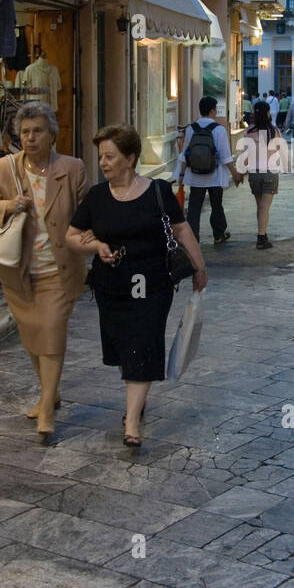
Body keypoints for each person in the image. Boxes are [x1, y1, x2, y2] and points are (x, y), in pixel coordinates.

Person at [67, 126, 207, 448]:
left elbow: (182, 230)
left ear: (129, 159)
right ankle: (137, 397)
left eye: (110, 156)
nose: (103, 163)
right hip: (110, 287)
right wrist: (96, 246)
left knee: (143, 343)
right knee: (123, 348)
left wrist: (200, 267)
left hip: (152, 285)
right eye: (101, 156)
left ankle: (131, 422)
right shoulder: (97, 197)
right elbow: (70, 237)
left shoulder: (157, 191)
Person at [0, 101, 88, 445]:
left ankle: (48, 413)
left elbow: (88, 213)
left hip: (60, 268)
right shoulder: (3, 169)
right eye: (25, 132)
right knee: (32, 336)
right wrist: (9, 206)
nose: (31, 138)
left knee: (51, 332)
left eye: (38, 131)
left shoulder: (72, 168)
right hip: (19, 270)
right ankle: (48, 394)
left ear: (51, 135)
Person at [176, 96, 243, 244]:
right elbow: (226, 157)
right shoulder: (219, 130)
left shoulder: (191, 129)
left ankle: (193, 238)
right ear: (212, 111)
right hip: (215, 175)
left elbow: (185, 154)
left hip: (195, 176)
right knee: (216, 205)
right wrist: (235, 174)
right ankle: (219, 234)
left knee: (194, 208)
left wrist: (181, 176)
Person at [240, 100, 286, 249]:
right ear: (267, 113)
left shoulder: (249, 132)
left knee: (260, 206)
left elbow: (244, 156)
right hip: (270, 173)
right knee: (265, 207)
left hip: (254, 174)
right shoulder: (274, 131)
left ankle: (263, 234)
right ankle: (261, 237)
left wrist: (240, 172)